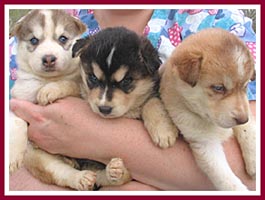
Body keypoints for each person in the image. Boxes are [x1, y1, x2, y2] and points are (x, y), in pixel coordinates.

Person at [9, 9, 257, 191]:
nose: (104, 101)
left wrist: (96, 137)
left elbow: (252, 174)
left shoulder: (216, 19)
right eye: (93, 80)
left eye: (126, 83)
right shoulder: (57, 22)